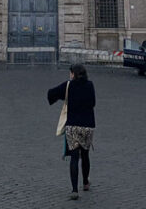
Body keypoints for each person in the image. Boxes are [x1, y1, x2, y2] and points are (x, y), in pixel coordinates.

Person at [47, 63, 96, 200]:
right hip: (87, 126)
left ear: (73, 74)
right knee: (85, 155)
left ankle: (74, 190)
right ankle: (85, 182)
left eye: (71, 73)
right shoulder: (90, 85)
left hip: (73, 126)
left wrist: (66, 98)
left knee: (74, 157)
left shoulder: (69, 85)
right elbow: (93, 103)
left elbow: (52, 93)